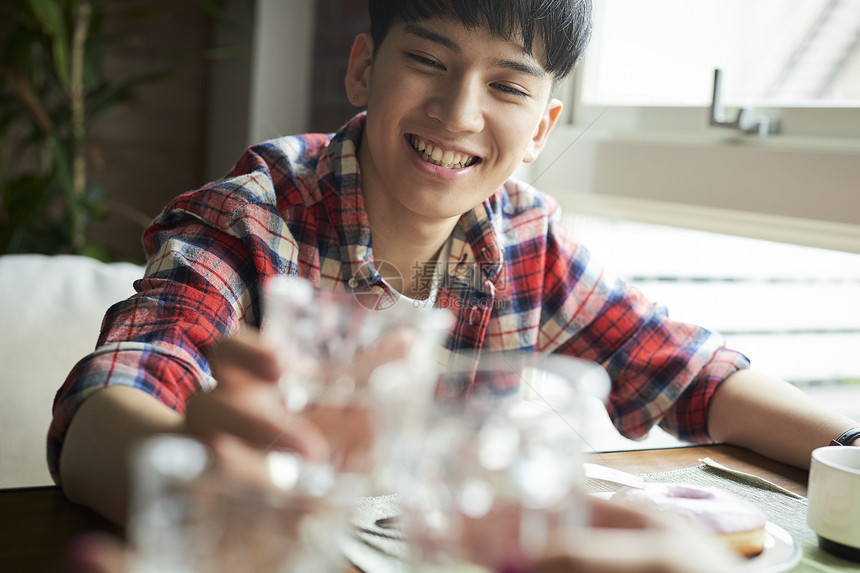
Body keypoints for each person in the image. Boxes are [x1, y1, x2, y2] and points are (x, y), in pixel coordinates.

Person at [49, 0, 858, 568]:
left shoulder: (524, 238)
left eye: (507, 85)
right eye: (429, 60)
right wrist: (209, 487)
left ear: (542, 126)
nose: (459, 111)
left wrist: (851, 451)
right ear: (364, 68)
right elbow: (107, 405)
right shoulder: (253, 218)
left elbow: (691, 372)